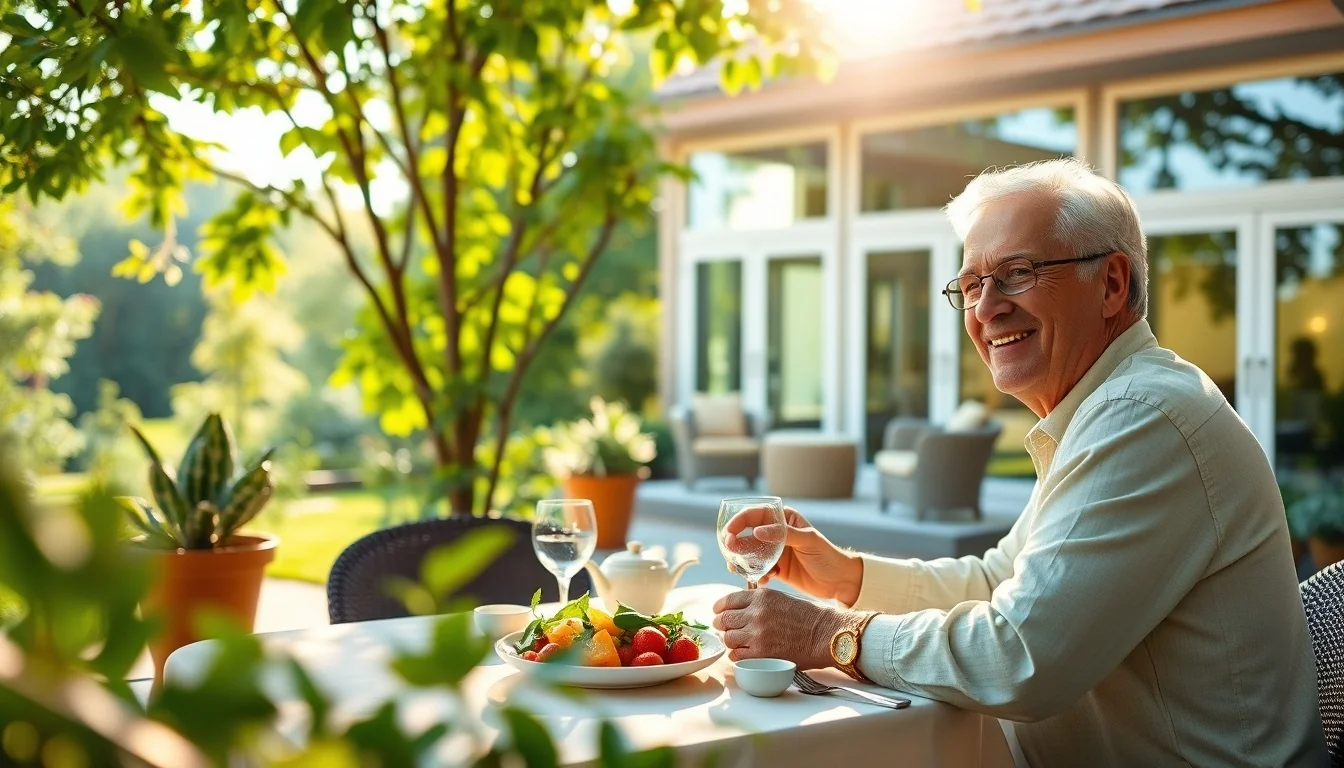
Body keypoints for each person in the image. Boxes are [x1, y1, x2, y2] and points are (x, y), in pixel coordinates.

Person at [713, 159, 1327, 767]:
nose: (985, 309)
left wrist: (829, 634)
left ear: (1112, 284)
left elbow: (1018, 658)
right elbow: (999, 584)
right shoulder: (1101, 409)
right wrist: (845, 577)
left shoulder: (1144, 417)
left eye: (1016, 273)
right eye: (972, 285)